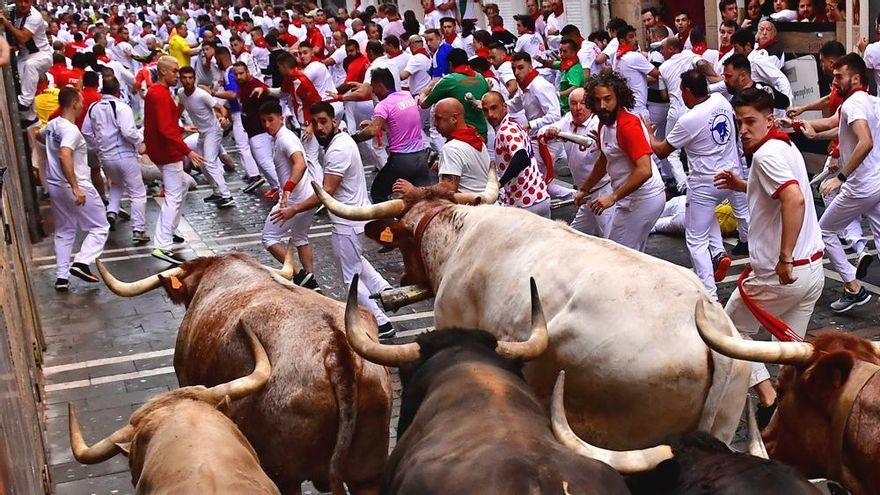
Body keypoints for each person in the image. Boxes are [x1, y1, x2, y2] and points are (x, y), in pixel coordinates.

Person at [713, 87, 824, 424]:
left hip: (782, 276)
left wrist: (785, 257)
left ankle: (768, 398)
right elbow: (777, 190)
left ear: (769, 120)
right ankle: (793, 417)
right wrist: (741, 185)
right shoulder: (783, 146)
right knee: (790, 353)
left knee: (730, 332)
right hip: (812, 273)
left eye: (750, 122)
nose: (743, 130)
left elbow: (794, 199)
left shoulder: (765, 155)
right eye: (739, 122)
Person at [271, 102, 396, 339]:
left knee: (350, 277)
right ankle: (385, 289)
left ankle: (381, 323)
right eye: (315, 123)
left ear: (334, 122)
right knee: (356, 262)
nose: (319, 128)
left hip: (347, 222)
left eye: (324, 122)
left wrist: (294, 209)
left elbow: (327, 191)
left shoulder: (337, 150)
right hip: (357, 218)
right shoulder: (343, 140)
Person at [645, 70, 750, 298]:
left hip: (705, 183)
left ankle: (710, 294)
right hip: (732, 176)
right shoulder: (720, 101)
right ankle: (719, 253)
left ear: (688, 92)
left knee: (696, 239)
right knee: (718, 215)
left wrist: (650, 133)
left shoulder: (689, 120)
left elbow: (661, 151)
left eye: (682, 91)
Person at [792, 54, 880, 312]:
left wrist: (840, 177)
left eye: (839, 77)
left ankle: (854, 288)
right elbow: (835, 125)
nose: (833, 82)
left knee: (825, 231)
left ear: (856, 78)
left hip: (861, 186)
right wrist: (799, 123)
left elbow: (865, 141)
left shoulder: (853, 105)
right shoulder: (869, 100)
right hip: (875, 183)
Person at [578, 72, 666, 252]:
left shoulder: (628, 126)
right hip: (629, 198)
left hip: (644, 199)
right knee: (626, 253)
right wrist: (585, 189)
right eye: (597, 100)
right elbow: (605, 158)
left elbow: (645, 170)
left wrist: (612, 197)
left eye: (608, 99)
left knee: (617, 254)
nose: (602, 106)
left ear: (619, 97)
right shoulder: (604, 124)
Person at [37, 86, 109, 290]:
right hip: (75, 185)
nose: (83, 105)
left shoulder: (52, 125)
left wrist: (51, 150)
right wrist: (76, 187)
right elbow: (64, 154)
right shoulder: (71, 130)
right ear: (74, 104)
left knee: (64, 230)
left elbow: (39, 136)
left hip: (55, 185)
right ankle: (81, 262)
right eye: (81, 101)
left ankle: (62, 277)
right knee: (100, 227)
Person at [144, 56, 206, 265]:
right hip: (168, 153)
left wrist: (182, 129)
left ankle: (170, 230)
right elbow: (165, 129)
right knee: (173, 197)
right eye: (174, 71)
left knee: (183, 186)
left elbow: (163, 124)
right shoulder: (160, 94)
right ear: (163, 71)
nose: (177, 75)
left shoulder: (156, 92)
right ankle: (162, 245)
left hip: (162, 151)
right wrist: (188, 151)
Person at [258, 100, 321, 291]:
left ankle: (300, 275)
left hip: (293, 200)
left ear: (281, 118)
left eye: (271, 120)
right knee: (301, 237)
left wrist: (287, 188)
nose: (267, 125)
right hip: (307, 196)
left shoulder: (285, 138)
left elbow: (300, 164)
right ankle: (310, 281)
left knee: (269, 237)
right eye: (264, 121)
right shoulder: (282, 138)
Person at [81, 77, 149, 245]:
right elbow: (128, 132)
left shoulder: (93, 107)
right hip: (124, 155)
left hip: (106, 156)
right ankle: (138, 229)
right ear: (118, 91)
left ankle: (111, 212)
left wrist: (98, 146)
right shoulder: (122, 107)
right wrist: (140, 139)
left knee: (117, 184)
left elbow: (86, 131)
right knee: (137, 192)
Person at [541, 87, 614, 236]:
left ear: (590, 104)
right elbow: (543, 131)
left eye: (583, 103)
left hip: (603, 190)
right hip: (585, 194)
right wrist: (550, 130)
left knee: (611, 238)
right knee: (573, 236)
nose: (578, 107)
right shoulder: (568, 119)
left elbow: (598, 148)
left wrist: (562, 134)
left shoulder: (598, 124)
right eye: (573, 103)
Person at [352, 67, 431, 203]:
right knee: (423, 198)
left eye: (373, 87)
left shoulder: (384, 105)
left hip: (402, 160)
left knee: (378, 193)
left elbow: (372, 131)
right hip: (421, 157)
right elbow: (398, 124)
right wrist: (373, 123)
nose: (373, 91)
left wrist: (354, 139)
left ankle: (393, 218)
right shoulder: (407, 96)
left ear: (379, 85)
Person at [507, 51, 572, 200]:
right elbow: (515, 104)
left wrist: (530, 125)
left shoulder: (540, 86)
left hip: (547, 139)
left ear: (530, 67)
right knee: (538, 181)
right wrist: (494, 105)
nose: (516, 72)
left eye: (520, 67)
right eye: (514, 69)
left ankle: (577, 196)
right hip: (538, 138)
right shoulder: (525, 84)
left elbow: (554, 115)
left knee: (535, 181)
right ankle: (577, 195)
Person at [396, 97, 489, 197]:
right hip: (487, 202)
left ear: (454, 119)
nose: (435, 124)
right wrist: (444, 165)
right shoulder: (476, 138)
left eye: (439, 118)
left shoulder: (452, 148)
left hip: (468, 205)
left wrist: (414, 191)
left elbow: (447, 189)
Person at [481, 91, 549, 217]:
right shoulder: (513, 124)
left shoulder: (506, 130)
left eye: (494, 108)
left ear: (504, 107)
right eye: (485, 110)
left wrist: (499, 184)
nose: (490, 114)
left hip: (525, 205)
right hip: (539, 198)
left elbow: (522, 157)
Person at [177, 66, 235, 208]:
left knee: (209, 161)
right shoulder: (181, 93)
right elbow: (180, 107)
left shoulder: (202, 95)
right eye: (184, 78)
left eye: (190, 78)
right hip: (202, 133)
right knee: (201, 163)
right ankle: (217, 191)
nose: (188, 81)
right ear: (180, 79)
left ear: (194, 79)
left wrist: (223, 118)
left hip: (213, 131)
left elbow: (220, 108)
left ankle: (227, 195)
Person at [213, 45, 265, 193]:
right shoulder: (229, 72)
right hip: (239, 112)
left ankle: (254, 175)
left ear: (221, 57)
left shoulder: (230, 72)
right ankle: (251, 173)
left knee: (243, 146)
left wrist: (213, 93)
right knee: (244, 145)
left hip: (240, 113)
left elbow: (233, 94)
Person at [234, 61, 281, 198]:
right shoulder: (244, 86)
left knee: (264, 161)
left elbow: (272, 101)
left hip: (259, 131)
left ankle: (280, 187)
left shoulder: (254, 86)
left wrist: (266, 122)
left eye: (241, 73)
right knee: (262, 160)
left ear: (248, 72)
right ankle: (275, 186)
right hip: (253, 130)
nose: (238, 77)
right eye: (236, 74)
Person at [420, 48, 490, 140]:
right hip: (482, 134)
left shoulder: (449, 80)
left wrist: (423, 93)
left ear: (450, 64)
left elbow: (424, 104)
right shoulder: (480, 77)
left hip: (461, 136)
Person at [1, 0, 53, 122]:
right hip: (23, 55)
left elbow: (23, 38)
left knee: (31, 65)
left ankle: (24, 103)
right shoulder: (10, 9)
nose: (23, 5)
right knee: (18, 80)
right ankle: (29, 118)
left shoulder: (35, 16)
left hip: (41, 54)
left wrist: (7, 24)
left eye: (27, 1)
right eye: (21, 1)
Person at [612, 25, 660, 119]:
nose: (636, 39)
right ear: (622, 41)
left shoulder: (616, 56)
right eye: (631, 37)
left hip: (625, 108)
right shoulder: (634, 56)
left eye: (635, 35)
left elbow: (632, 78)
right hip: (638, 110)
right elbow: (656, 73)